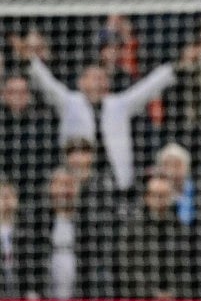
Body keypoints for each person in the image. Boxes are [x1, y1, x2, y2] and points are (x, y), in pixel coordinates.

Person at [26, 48, 176, 193]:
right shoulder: (69, 102)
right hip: (78, 183)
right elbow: (46, 83)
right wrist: (28, 59)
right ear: (81, 82)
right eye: (94, 78)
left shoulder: (118, 105)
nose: (99, 83)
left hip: (116, 182)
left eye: (103, 78)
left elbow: (146, 89)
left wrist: (172, 68)